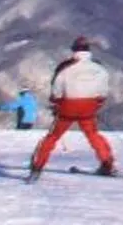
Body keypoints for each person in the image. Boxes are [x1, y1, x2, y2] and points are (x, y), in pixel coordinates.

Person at [29, 37, 117, 180]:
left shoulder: (65, 67)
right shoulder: (99, 68)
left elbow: (56, 91)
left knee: (52, 137)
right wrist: (96, 105)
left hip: (67, 107)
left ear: (73, 50)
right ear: (88, 50)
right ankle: (107, 163)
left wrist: (56, 104)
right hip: (89, 107)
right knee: (94, 135)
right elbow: (103, 91)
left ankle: (37, 167)